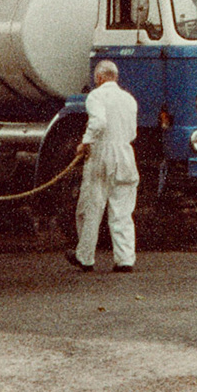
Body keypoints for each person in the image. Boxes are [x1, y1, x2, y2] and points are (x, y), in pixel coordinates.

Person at [67, 59, 140, 273]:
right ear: (115, 77)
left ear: (99, 78)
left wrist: (86, 142)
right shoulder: (129, 99)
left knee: (91, 208)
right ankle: (125, 259)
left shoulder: (96, 96)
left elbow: (98, 122)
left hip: (102, 153)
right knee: (122, 210)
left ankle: (85, 257)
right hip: (125, 153)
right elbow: (133, 132)